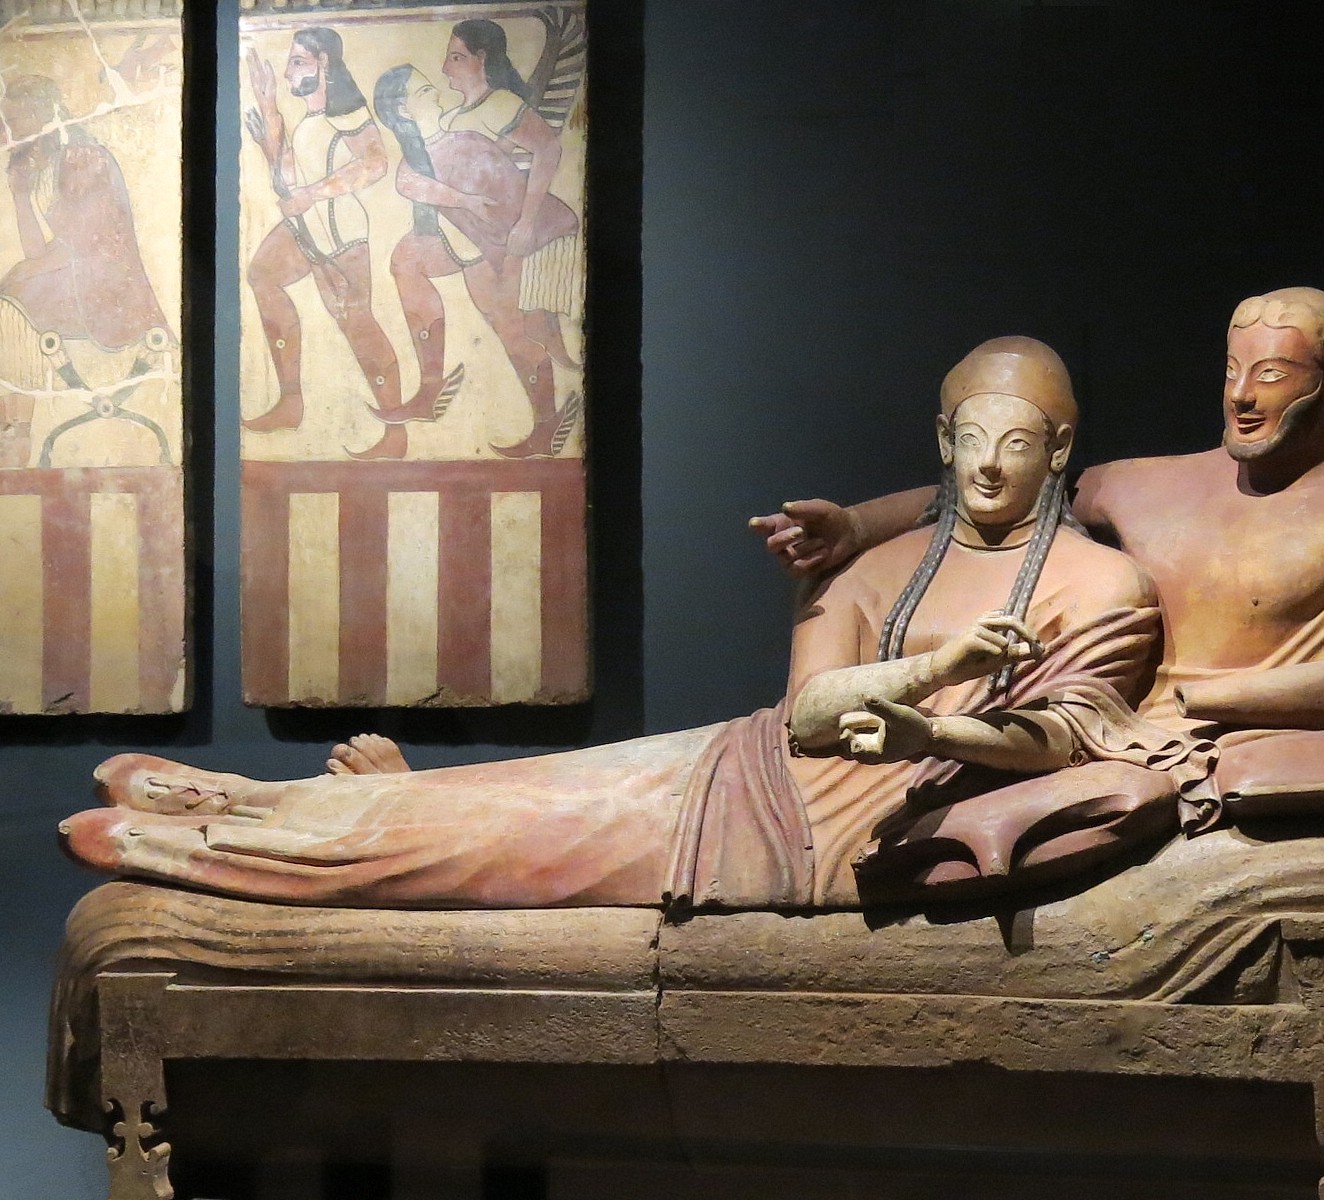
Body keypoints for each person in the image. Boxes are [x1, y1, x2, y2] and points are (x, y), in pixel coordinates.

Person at [60, 337, 1213, 908]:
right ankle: (264, 800)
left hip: (797, 846)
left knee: (482, 844)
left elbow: (1064, 739)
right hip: (746, 767)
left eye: (1017, 444)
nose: (988, 465)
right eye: (970, 438)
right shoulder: (881, 569)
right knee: (512, 798)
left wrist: (933, 736)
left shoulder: (1099, 589)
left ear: (1057, 451)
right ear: (940, 438)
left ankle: (202, 845)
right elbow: (810, 718)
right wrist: (941, 669)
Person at [754, 288, 1324, 815]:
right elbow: (1004, 489)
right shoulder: (1148, 486)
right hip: (1098, 724)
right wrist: (855, 526)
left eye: (1268, 374)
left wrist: (1184, 700)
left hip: (1182, 730)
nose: (1240, 394)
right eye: (1232, 370)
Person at [368, 18, 580, 459]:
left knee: (512, 328)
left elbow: (547, 149)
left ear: (482, 59)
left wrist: (526, 220)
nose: (445, 67)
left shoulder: (499, 105)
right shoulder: (453, 118)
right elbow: (412, 176)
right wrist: (459, 198)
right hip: (477, 240)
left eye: (455, 56)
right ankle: (432, 387)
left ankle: (548, 422)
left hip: (516, 234)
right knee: (408, 263)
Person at [242, 28, 408, 459]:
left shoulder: (348, 112)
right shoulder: (311, 123)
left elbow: (375, 163)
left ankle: (396, 435)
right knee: (262, 275)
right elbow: (287, 179)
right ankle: (291, 402)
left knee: (356, 323)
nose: (287, 71)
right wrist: (268, 110)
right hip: (309, 228)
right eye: (291, 62)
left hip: (340, 234)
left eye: (298, 61)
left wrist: (311, 195)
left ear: (325, 65)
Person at [0, 75, 172, 468]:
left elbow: (86, 247)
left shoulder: (81, 156)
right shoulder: (41, 161)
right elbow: (39, 251)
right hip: (72, 276)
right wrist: (20, 196)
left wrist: (23, 273)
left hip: (106, 289)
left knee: (9, 306)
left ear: (42, 115)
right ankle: (11, 427)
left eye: (14, 120)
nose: (7, 129)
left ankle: (17, 431)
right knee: (11, 294)